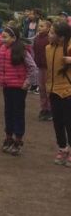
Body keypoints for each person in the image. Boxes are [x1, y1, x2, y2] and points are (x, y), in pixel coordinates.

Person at [0, 25, 38, 156]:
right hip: (7, 86)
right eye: (2, 37)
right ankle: (8, 137)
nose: (2, 39)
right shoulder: (3, 48)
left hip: (19, 88)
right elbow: (2, 59)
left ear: (14, 38)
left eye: (5, 37)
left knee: (18, 113)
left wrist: (28, 82)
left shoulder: (22, 50)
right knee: (8, 112)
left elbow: (33, 67)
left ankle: (18, 140)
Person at [45, 21, 71, 165]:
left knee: (69, 123)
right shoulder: (48, 48)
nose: (49, 34)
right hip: (53, 90)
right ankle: (62, 148)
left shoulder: (69, 47)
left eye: (52, 33)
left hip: (68, 91)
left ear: (61, 37)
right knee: (57, 122)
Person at [34, 18, 53, 121]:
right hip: (40, 66)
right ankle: (44, 108)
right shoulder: (37, 38)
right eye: (39, 26)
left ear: (48, 28)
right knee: (41, 88)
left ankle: (50, 109)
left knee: (48, 89)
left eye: (42, 26)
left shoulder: (50, 39)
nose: (39, 27)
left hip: (48, 67)